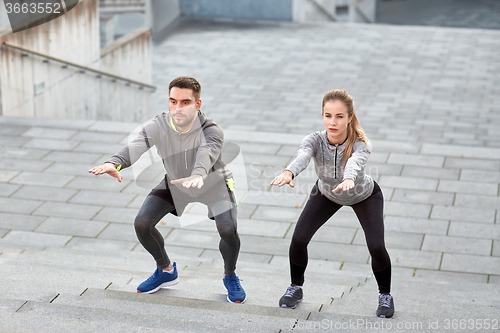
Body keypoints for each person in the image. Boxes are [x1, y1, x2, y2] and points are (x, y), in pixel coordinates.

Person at [89, 76, 246, 303]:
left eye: (185, 102)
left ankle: (230, 275)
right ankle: (165, 271)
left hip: (213, 184)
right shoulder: (159, 125)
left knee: (228, 229)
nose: (177, 108)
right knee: (142, 223)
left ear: (197, 104)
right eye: (173, 101)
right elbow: (137, 145)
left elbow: (207, 154)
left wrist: (197, 174)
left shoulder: (211, 130)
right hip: (175, 183)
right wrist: (113, 163)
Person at [270, 89, 394, 318]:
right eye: (328, 115)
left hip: (364, 195)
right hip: (327, 194)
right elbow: (303, 156)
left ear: (350, 118)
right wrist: (289, 172)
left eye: (339, 116)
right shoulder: (314, 140)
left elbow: (355, 163)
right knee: (298, 239)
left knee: (376, 246)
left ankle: (385, 296)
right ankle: (295, 288)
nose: (333, 122)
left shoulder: (361, 143)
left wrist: (348, 179)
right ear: (322, 116)